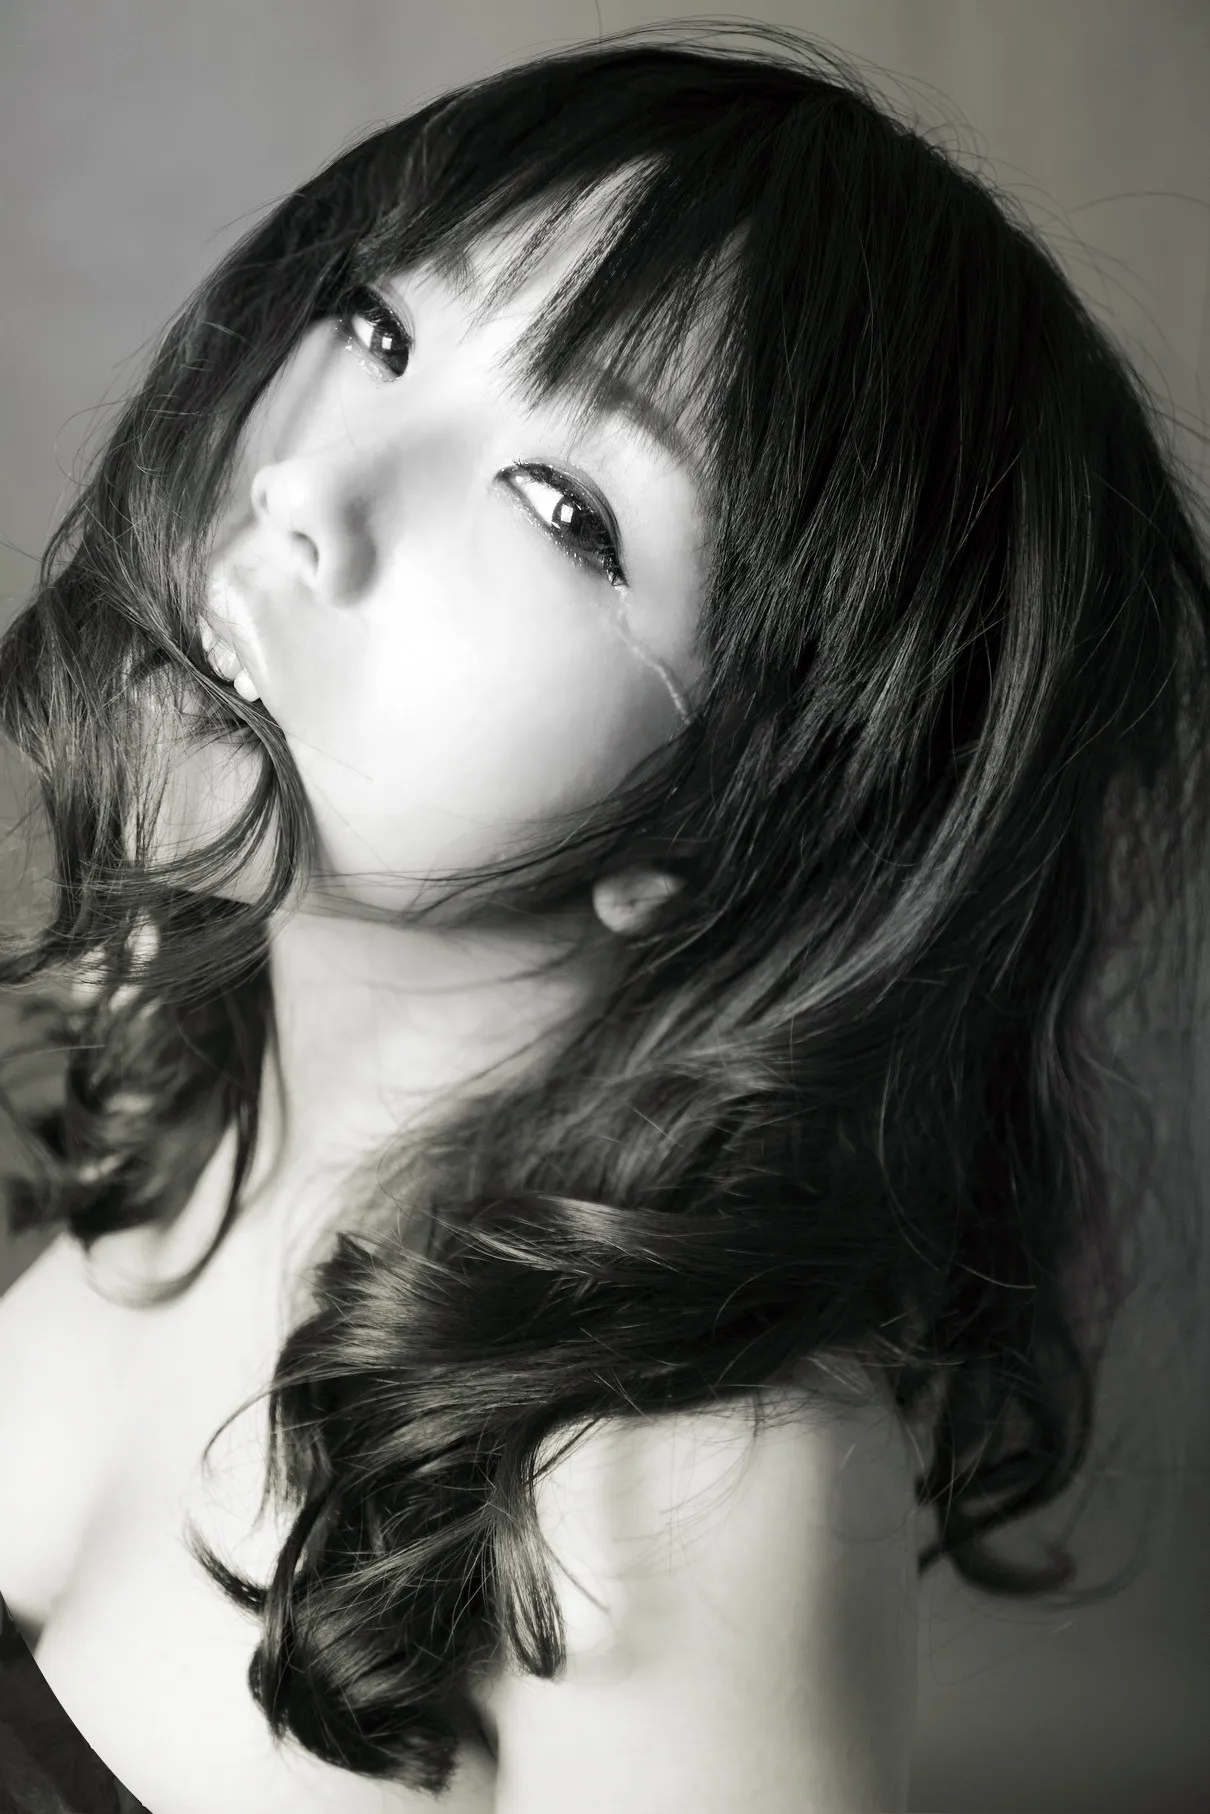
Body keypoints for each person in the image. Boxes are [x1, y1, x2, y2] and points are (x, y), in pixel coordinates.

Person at [0, 21, 1207, 1814]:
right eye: (378, 329)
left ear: (743, 826)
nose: (302, 491)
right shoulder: (127, 1061)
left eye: (564, 508)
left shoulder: (682, 1482)